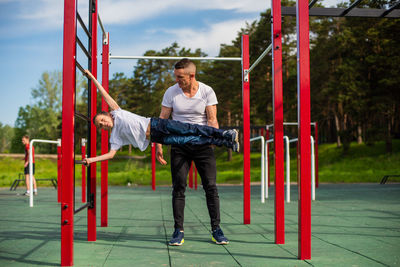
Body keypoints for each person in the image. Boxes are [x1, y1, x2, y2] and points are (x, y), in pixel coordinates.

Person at [82, 69, 239, 168]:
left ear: (107, 114)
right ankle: (224, 143)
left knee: (192, 128)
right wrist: (91, 160)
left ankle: (224, 134)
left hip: (158, 124)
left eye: (102, 120)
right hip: (156, 137)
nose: (103, 124)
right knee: (190, 140)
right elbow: (110, 155)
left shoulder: (117, 112)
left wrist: (92, 77)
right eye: (101, 126)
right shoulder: (115, 136)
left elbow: (104, 94)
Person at [156, 58, 230, 246]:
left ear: (192, 75)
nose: (177, 81)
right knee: (179, 187)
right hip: (179, 145)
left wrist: (212, 143)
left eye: (180, 77)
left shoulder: (207, 91)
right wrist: (158, 145)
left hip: (202, 144)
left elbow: (212, 120)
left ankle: (216, 229)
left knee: (210, 187)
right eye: (175, 77)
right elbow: (162, 120)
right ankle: (178, 230)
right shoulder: (171, 92)